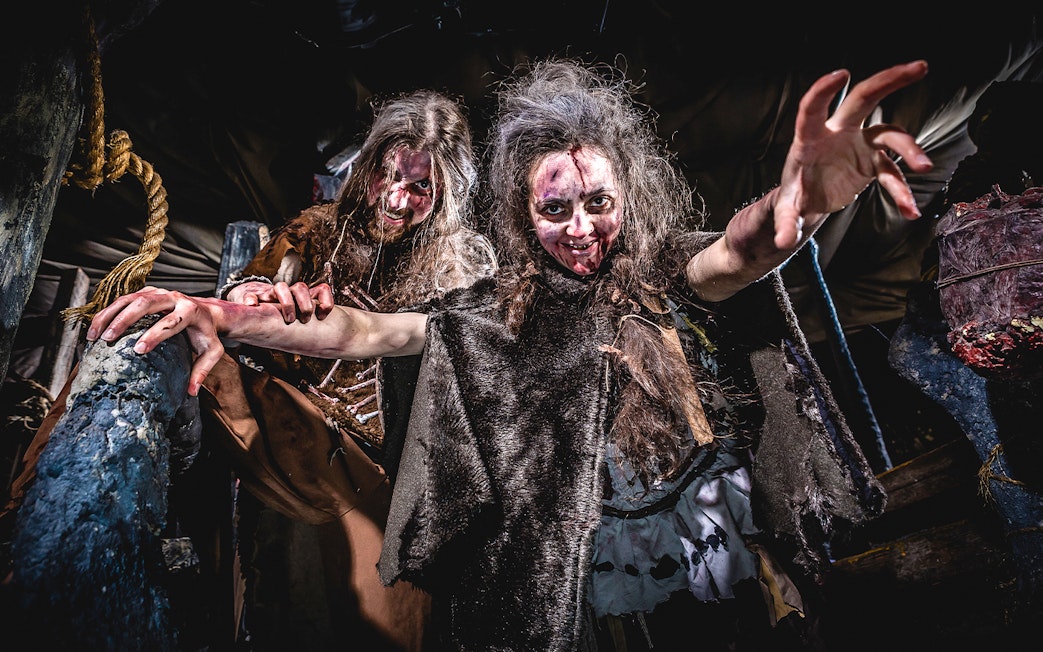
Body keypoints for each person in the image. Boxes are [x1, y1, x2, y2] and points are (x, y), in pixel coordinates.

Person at [87, 57, 933, 650]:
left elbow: (738, 253)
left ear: (625, 196)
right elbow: (359, 331)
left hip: (704, 528)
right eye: (555, 209)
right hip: (584, 562)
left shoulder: (656, 271)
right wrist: (220, 312)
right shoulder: (493, 311)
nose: (580, 229)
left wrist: (801, 204)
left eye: (596, 203)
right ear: (523, 217)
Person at [5, 89, 496, 650]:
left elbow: (365, 336)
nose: (395, 196)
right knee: (148, 333)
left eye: (420, 187)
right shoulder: (320, 229)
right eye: (388, 173)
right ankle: (22, 523)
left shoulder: (462, 275)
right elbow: (255, 286)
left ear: (448, 196)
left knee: (375, 629)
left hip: (375, 469)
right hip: (289, 424)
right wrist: (254, 291)